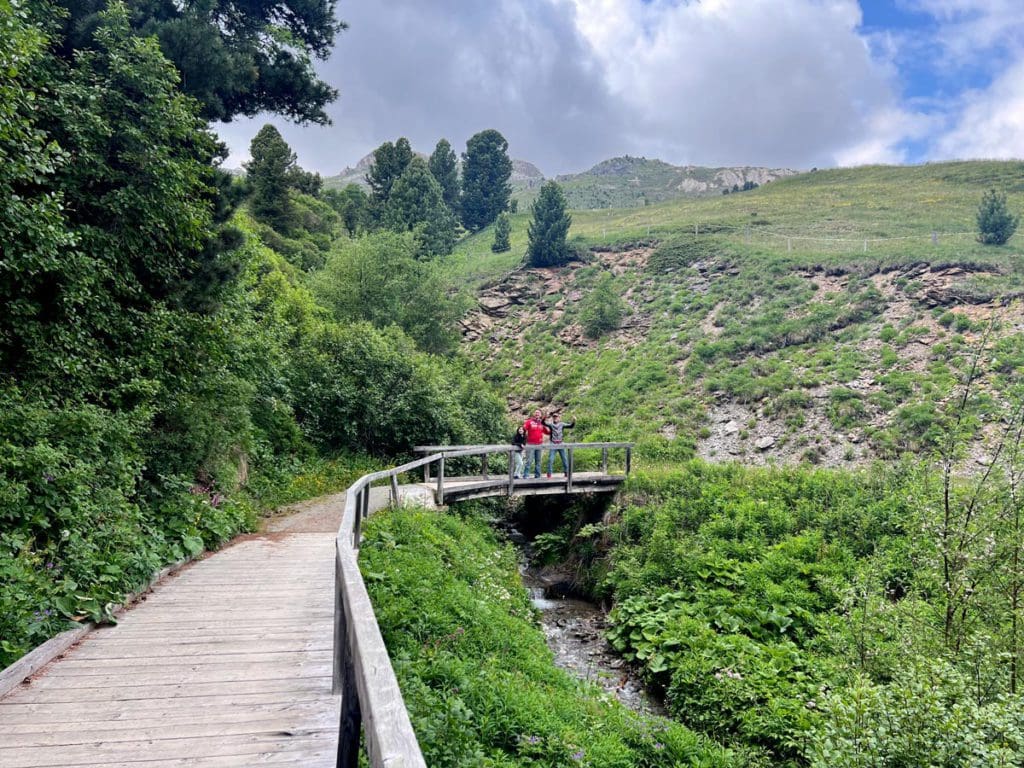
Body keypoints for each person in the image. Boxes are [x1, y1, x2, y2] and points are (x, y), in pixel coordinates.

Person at [543, 411, 575, 477]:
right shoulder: (551, 425)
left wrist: (574, 420)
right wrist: (545, 416)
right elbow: (543, 423)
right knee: (550, 460)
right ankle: (549, 474)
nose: (555, 418)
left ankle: (566, 473)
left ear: (559, 418)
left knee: (564, 459)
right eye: (554, 417)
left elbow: (571, 426)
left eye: (556, 417)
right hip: (553, 443)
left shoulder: (562, 424)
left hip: (561, 443)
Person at [522, 409, 549, 478]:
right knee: (529, 461)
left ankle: (537, 476)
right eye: (536, 412)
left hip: (539, 444)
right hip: (530, 444)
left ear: (540, 415)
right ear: (534, 414)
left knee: (538, 461)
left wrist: (553, 428)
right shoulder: (529, 421)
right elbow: (523, 429)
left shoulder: (542, 423)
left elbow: (548, 432)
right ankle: (526, 475)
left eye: (539, 413)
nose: (537, 414)